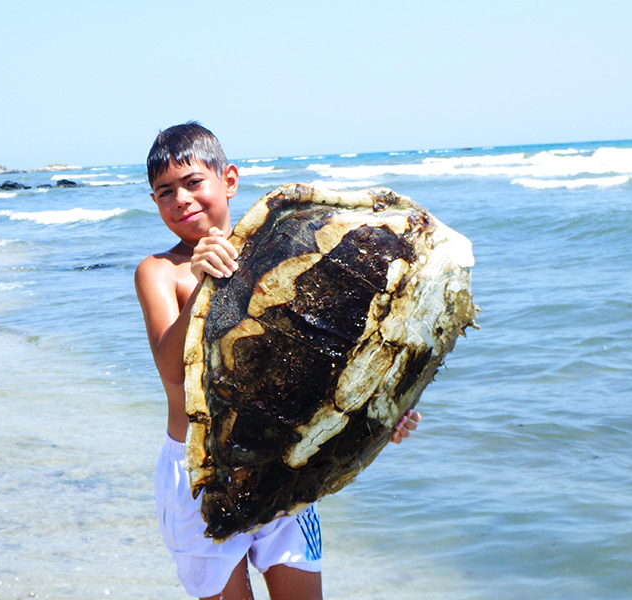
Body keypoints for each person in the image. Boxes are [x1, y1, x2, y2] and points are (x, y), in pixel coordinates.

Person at [134, 121, 421, 600]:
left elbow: (324, 356)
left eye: (192, 183)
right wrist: (205, 284)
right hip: (197, 473)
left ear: (228, 180)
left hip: (281, 458)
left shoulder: (279, 254)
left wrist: (383, 405)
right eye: (165, 192)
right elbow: (171, 371)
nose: (180, 199)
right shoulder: (160, 271)